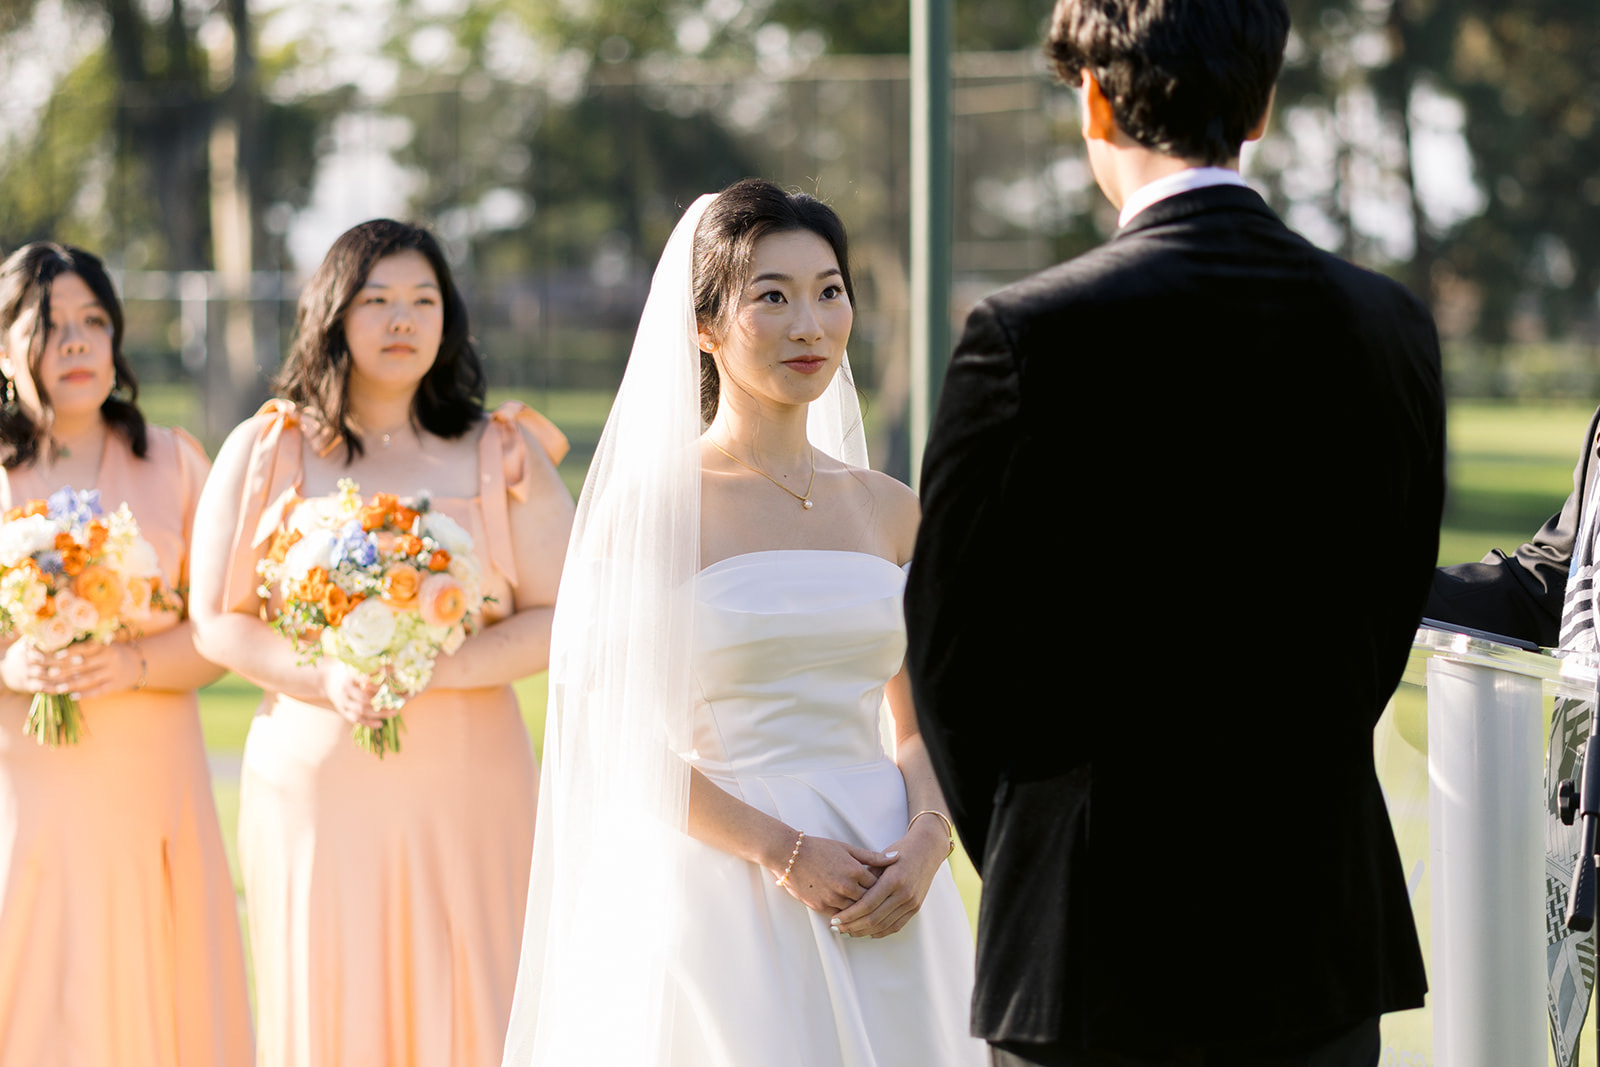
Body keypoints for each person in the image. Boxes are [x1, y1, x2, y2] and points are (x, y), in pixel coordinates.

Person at [904, 3, 1445, 1065]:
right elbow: (1386, 613)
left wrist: (1034, 850)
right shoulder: (1388, 323)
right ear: (1264, 103)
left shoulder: (1022, 334)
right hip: (1316, 929)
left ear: (1095, 96)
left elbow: (951, 658)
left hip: (1089, 937)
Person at [501, 179, 984, 1067]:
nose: (810, 324)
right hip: (723, 887)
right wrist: (782, 849)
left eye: (829, 290)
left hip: (887, 880)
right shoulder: (652, 511)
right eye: (773, 295)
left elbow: (923, 726)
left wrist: (925, 839)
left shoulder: (890, 511)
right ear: (704, 325)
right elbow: (613, 741)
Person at [189, 220, 574, 1067]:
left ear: (449, 319)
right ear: (333, 312)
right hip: (317, 783)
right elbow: (217, 618)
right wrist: (326, 673)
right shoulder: (267, 449)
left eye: (424, 300)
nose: (403, 319)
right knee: (331, 996)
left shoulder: (503, 452)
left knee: (474, 987)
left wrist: (435, 666)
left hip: (472, 781)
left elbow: (561, 611)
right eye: (378, 299)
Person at [0, 243, 252, 1064]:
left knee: (145, 984)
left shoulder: (174, 462)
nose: (76, 343)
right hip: (23, 783)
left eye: (94, 322)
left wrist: (136, 665)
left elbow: (222, 628)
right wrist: (9, 663)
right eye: (50, 327)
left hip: (149, 780)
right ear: (6, 351)